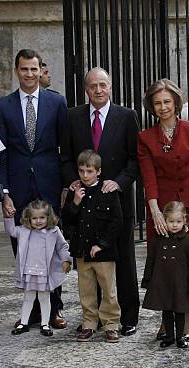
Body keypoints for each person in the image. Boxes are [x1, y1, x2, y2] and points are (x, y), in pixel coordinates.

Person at [60, 67, 140, 336]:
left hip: (117, 202)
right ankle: (92, 319)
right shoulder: (72, 116)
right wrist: (72, 181)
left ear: (111, 87)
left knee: (124, 261)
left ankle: (128, 317)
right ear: (86, 89)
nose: (98, 90)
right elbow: (66, 156)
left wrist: (119, 182)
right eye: (93, 85)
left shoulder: (127, 116)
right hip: (85, 207)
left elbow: (134, 159)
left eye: (102, 85)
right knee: (90, 265)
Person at [0, 49, 69, 330]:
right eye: (24, 69)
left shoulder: (56, 102)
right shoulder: (3, 106)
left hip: (49, 184)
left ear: (40, 70)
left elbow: (65, 148)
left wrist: (64, 185)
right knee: (23, 249)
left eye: (34, 69)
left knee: (51, 246)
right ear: (17, 71)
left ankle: (55, 308)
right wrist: (4, 191)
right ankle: (34, 310)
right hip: (18, 185)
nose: (29, 74)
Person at [137, 79, 189, 340]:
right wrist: (155, 212)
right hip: (163, 211)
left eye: (167, 101)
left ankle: (187, 316)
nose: (163, 107)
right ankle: (166, 319)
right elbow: (149, 178)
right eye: (157, 103)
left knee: (186, 265)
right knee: (163, 267)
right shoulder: (145, 138)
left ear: (176, 103)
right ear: (151, 107)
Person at [61, 150, 124, 343]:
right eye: (81, 171)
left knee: (108, 290)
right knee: (86, 290)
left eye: (89, 171)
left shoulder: (107, 191)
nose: (85, 175)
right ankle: (89, 323)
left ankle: (111, 324)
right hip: (82, 250)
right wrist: (76, 203)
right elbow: (67, 219)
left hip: (103, 252)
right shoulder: (75, 191)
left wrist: (102, 244)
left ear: (98, 171)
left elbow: (116, 222)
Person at [6, 200, 72, 337]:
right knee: (28, 297)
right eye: (34, 218)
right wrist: (8, 216)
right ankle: (24, 323)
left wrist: (66, 259)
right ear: (28, 218)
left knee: (44, 297)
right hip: (29, 271)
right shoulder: (23, 231)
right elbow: (11, 231)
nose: (38, 221)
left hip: (45, 272)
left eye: (42, 217)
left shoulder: (53, 231)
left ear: (48, 217)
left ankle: (45, 323)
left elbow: (62, 246)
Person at [141, 201, 189, 349]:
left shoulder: (188, 241)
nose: (175, 225)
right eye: (171, 221)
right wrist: (147, 280)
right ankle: (169, 336)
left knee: (180, 310)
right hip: (163, 281)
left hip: (181, 283)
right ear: (165, 220)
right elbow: (151, 261)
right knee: (166, 310)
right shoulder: (158, 241)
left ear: (185, 220)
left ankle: (180, 337)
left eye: (178, 221)